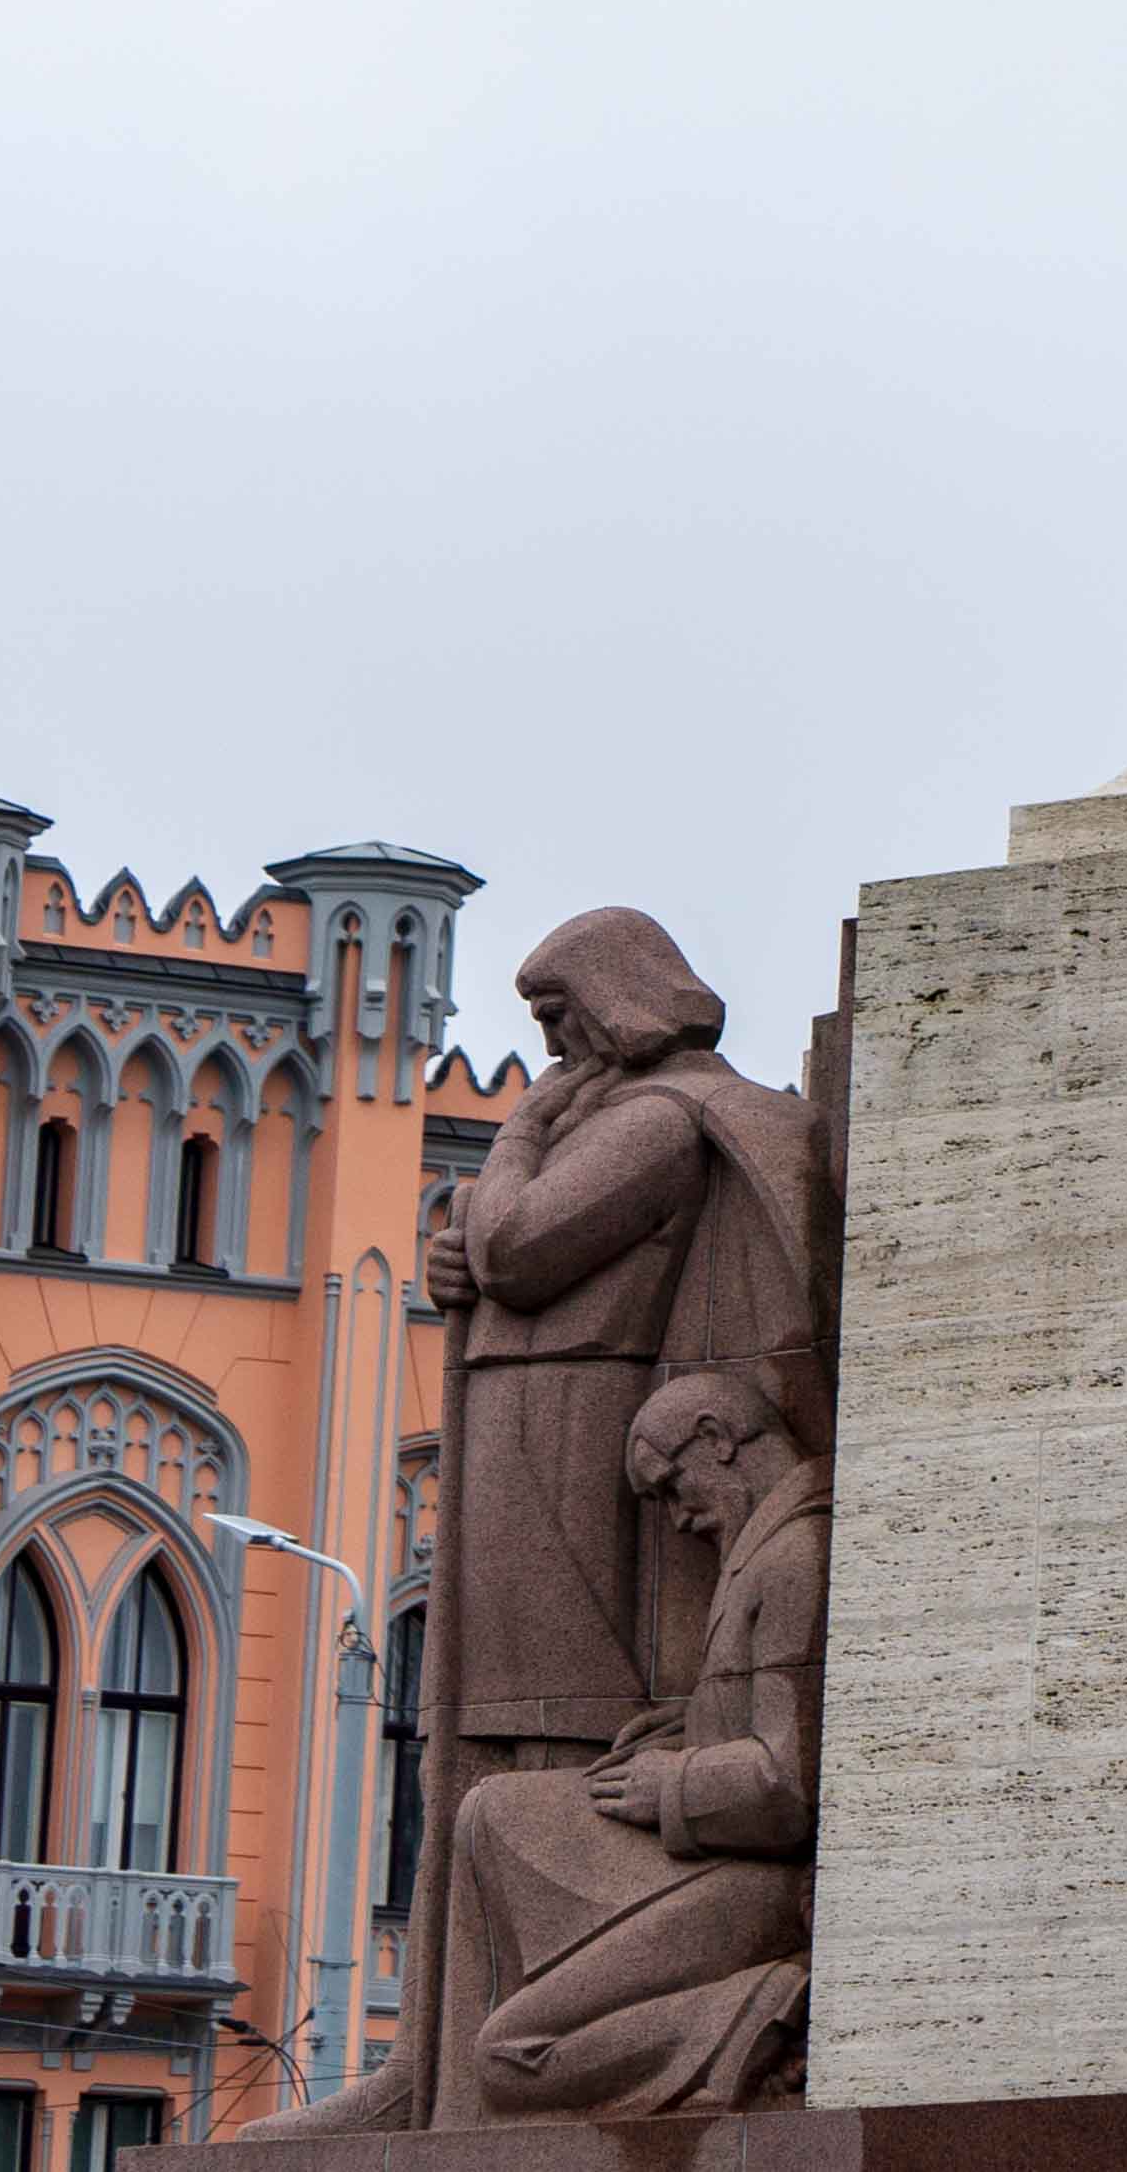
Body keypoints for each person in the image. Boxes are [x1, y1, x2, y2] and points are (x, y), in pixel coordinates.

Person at [259, 912, 832, 2137]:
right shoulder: (612, 1118)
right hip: (524, 1426)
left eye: (560, 1013)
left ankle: (471, 2062)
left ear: (621, 997)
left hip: (570, 1436)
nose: (554, 1044)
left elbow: (516, 1247)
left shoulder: (654, 1119)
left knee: (543, 1737)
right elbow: (485, 1256)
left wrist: (509, 1141)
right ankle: (435, 2057)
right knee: (480, 1744)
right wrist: (459, 1252)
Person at [424, 1369, 824, 2117]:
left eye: (673, 1486)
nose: (676, 1519)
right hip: (718, 1854)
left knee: (513, 2057)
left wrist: (668, 1784)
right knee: (493, 1813)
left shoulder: (797, 1554)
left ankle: (760, 2010)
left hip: (760, 1884)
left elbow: (788, 1783)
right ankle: (425, 2091)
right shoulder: (766, 1546)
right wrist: (692, 1725)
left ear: (717, 1437)